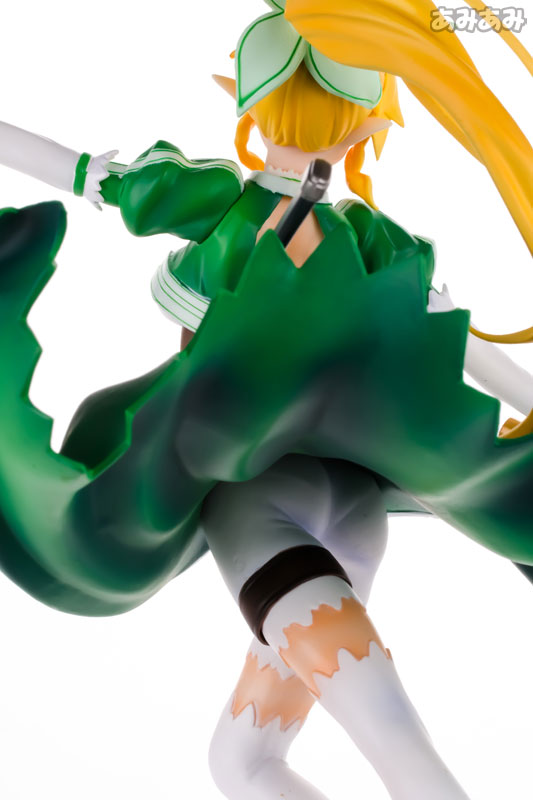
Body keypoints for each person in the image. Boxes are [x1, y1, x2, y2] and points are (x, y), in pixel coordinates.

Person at [0, 1, 533, 798]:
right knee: (242, 762)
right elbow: (470, 352)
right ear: (368, 124)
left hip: (254, 504)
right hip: (350, 510)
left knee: (400, 756)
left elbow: (74, 170)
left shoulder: (218, 203)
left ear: (245, 103)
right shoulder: (380, 244)